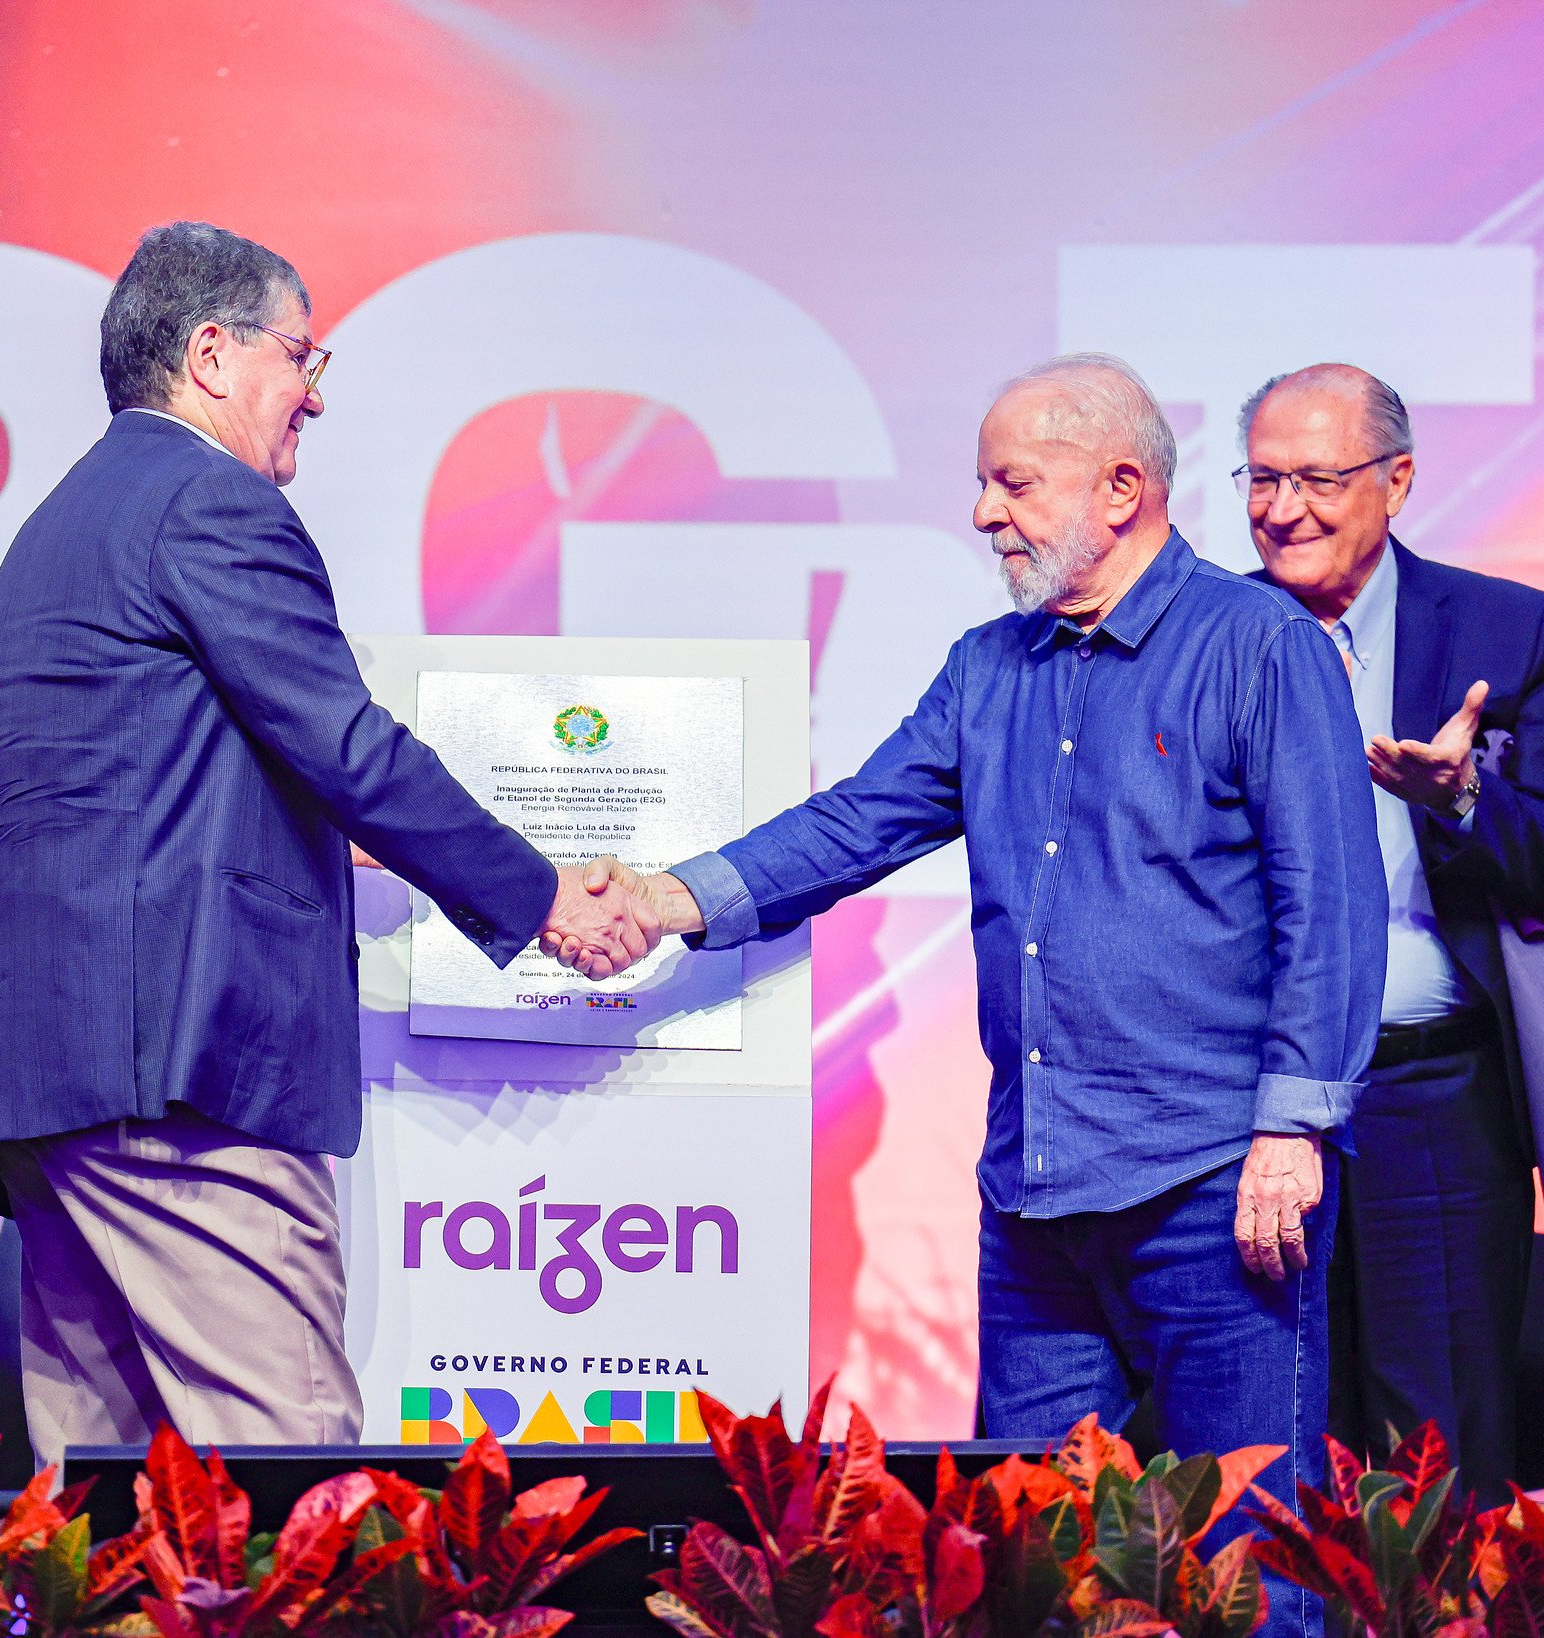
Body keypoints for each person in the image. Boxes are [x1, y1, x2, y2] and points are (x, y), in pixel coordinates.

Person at [558, 354, 1384, 1638]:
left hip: (1217, 1189)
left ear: (1121, 489)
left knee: (1251, 1577)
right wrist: (666, 899)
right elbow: (858, 823)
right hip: (1035, 1201)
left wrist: (1292, 1127)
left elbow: (1327, 906)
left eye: (1011, 483)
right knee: (1034, 1577)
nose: (984, 513)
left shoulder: (1262, 646)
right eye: (983, 486)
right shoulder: (985, 668)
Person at [0, 221, 656, 1461]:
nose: (315, 394)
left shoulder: (62, 523)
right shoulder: (209, 503)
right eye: (301, 357)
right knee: (288, 1488)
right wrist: (543, 900)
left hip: (57, 1081)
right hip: (179, 1084)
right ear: (212, 354)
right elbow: (345, 746)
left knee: (108, 1519)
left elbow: (164, 779)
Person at [1242, 363, 1544, 1494]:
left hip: (1434, 1102)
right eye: (1262, 479)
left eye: (1317, 478)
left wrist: (1460, 799)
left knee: (1439, 1461)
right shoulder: (1205, 634)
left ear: (1398, 480)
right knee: (1264, 1453)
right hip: (1247, 1110)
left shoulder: (1507, 633)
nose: (1284, 509)